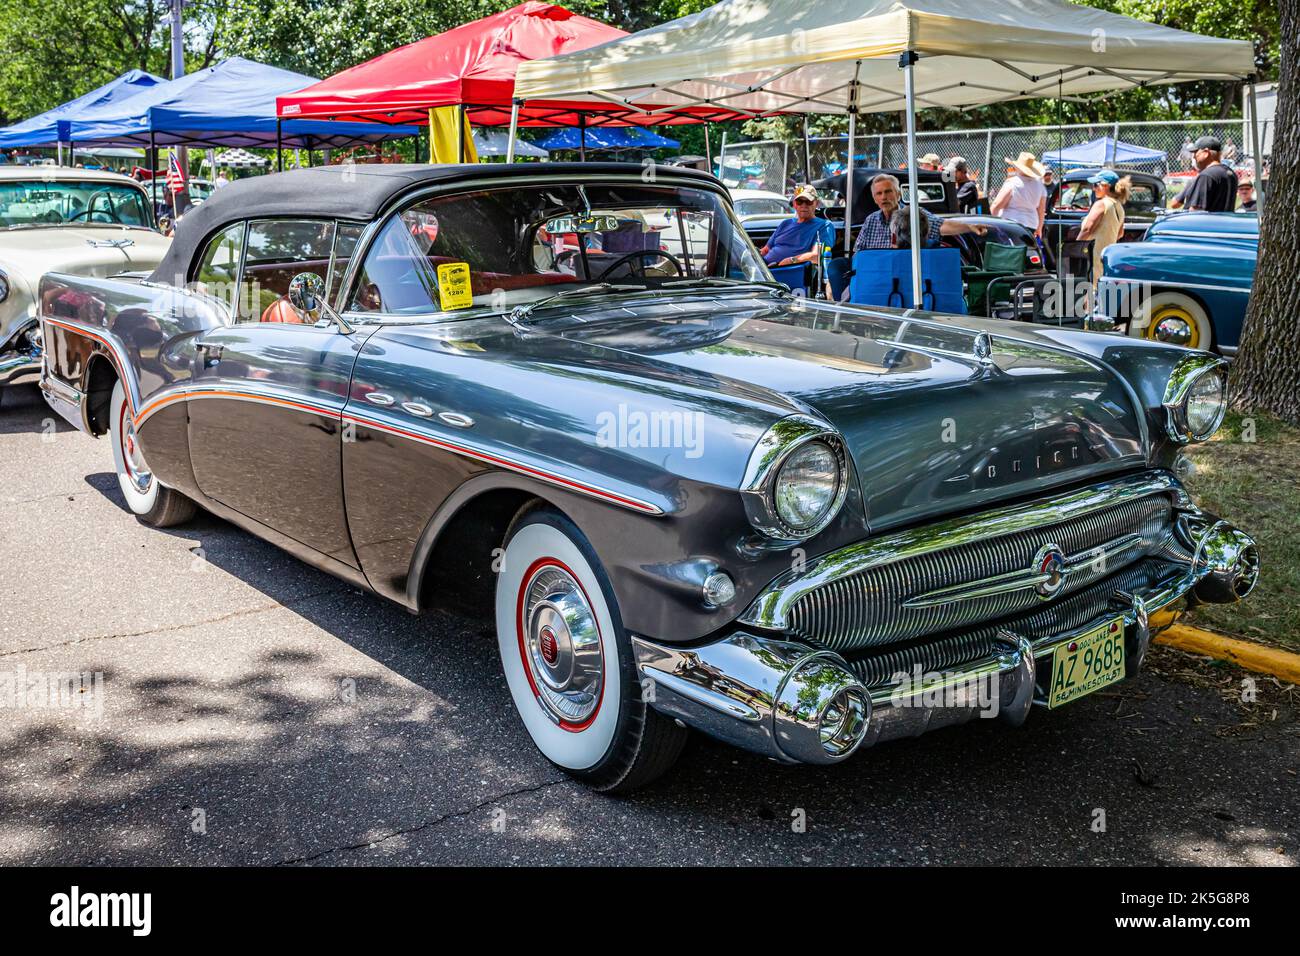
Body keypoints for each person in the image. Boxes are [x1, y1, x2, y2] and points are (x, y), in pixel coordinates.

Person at [853, 174, 986, 251]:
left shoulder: (912, 214)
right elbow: (857, 253)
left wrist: (969, 227)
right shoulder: (870, 220)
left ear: (898, 194)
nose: (884, 197)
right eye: (879, 193)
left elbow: (941, 226)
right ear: (875, 199)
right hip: (875, 276)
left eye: (888, 192)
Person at [1075, 169, 1131, 285]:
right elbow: (1120, 233)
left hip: (1093, 258)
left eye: (1096, 185)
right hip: (1106, 257)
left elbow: (1087, 229)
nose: (1093, 188)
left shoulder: (1101, 204)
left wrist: (1075, 248)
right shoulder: (1118, 206)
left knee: (1087, 293)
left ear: (1105, 186)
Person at [760, 184, 833, 268]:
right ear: (794, 204)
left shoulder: (824, 226)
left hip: (791, 272)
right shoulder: (785, 223)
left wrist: (791, 260)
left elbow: (816, 255)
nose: (803, 205)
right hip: (765, 269)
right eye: (799, 202)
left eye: (808, 201)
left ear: (816, 203)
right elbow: (766, 250)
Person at [1169, 136, 1235, 212]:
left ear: (1206, 153)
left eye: (1195, 152)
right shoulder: (1231, 173)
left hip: (1206, 223)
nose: (1193, 157)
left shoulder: (1206, 176)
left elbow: (1196, 212)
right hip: (1223, 222)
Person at [990, 151, 1047, 236]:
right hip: (1031, 225)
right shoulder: (1040, 185)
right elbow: (1041, 210)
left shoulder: (1013, 183)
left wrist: (989, 224)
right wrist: (1039, 228)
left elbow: (996, 205)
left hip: (1011, 224)